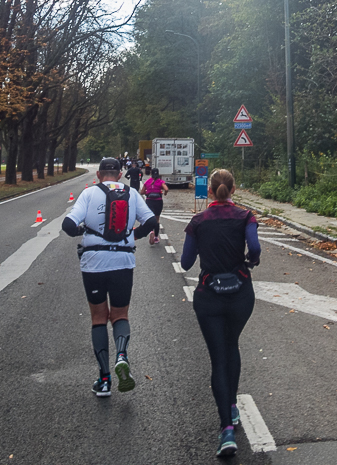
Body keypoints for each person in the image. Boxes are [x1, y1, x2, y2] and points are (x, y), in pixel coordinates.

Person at [62, 157, 160, 397]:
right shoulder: (132, 194)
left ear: (98, 175)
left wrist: (82, 230)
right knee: (120, 314)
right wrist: (132, 236)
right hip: (123, 261)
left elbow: (67, 225)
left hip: (93, 262)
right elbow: (151, 221)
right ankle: (122, 355)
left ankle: (104, 379)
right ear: (119, 174)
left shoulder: (88, 194)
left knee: (98, 318)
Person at [180, 168, 261, 457]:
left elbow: (186, 263)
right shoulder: (246, 217)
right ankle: (232, 407)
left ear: (211, 191)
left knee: (218, 357)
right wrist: (252, 259)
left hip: (209, 296)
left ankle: (226, 430)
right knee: (232, 345)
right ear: (234, 190)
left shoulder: (198, 221)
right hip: (240, 293)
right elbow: (254, 247)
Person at [142, 167, 170, 246]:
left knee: (151, 217)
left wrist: (147, 192)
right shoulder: (160, 181)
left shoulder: (148, 181)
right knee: (157, 219)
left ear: (151, 174)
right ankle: (156, 237)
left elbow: (142, 191)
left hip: (149, 201)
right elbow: (166, 189)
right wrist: (164, 193)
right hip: (158, 201)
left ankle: (151, 231)